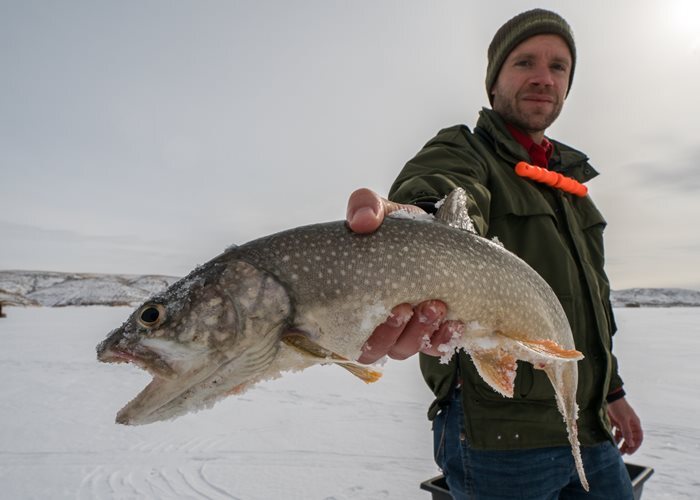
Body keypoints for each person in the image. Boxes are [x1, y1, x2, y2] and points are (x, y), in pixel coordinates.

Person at [345, 9, 643, 500]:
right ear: (495, 81)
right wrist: (416, 221)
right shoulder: (466, 150)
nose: (543, 77)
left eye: (559, 66)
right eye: (524, 62)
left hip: (589, 428)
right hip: (501, 437)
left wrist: (612, 393)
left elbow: (594, 307)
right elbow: (444, 196)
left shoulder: (572, 189)